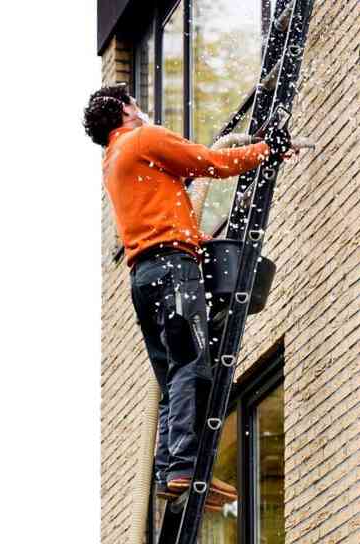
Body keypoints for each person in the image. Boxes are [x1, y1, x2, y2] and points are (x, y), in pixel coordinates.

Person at [83, 84, 291, 510]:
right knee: (192, 366)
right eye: (135, 104)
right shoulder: (143, 138)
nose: (142, 110)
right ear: (125, 110)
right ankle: (182, 468)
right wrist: (268, 149)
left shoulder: (114, 161)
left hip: (145, 278)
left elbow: (174, 186)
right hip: (173, 267)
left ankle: (170, 470)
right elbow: (210, 162)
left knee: (173, 373)